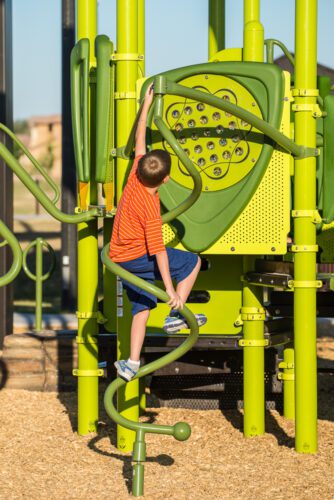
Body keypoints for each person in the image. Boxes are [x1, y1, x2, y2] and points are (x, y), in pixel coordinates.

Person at [109, 83, 207, 382]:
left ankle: (132, 362)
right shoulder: (151, 211)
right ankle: (177, 313)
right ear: (165, 180)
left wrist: (146, 106)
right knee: (192, 262)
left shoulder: (134, 177)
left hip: (119, 257)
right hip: (137, 257)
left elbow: (141, 139)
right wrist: (170, 292)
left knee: (140, 309)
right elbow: (159, 253)